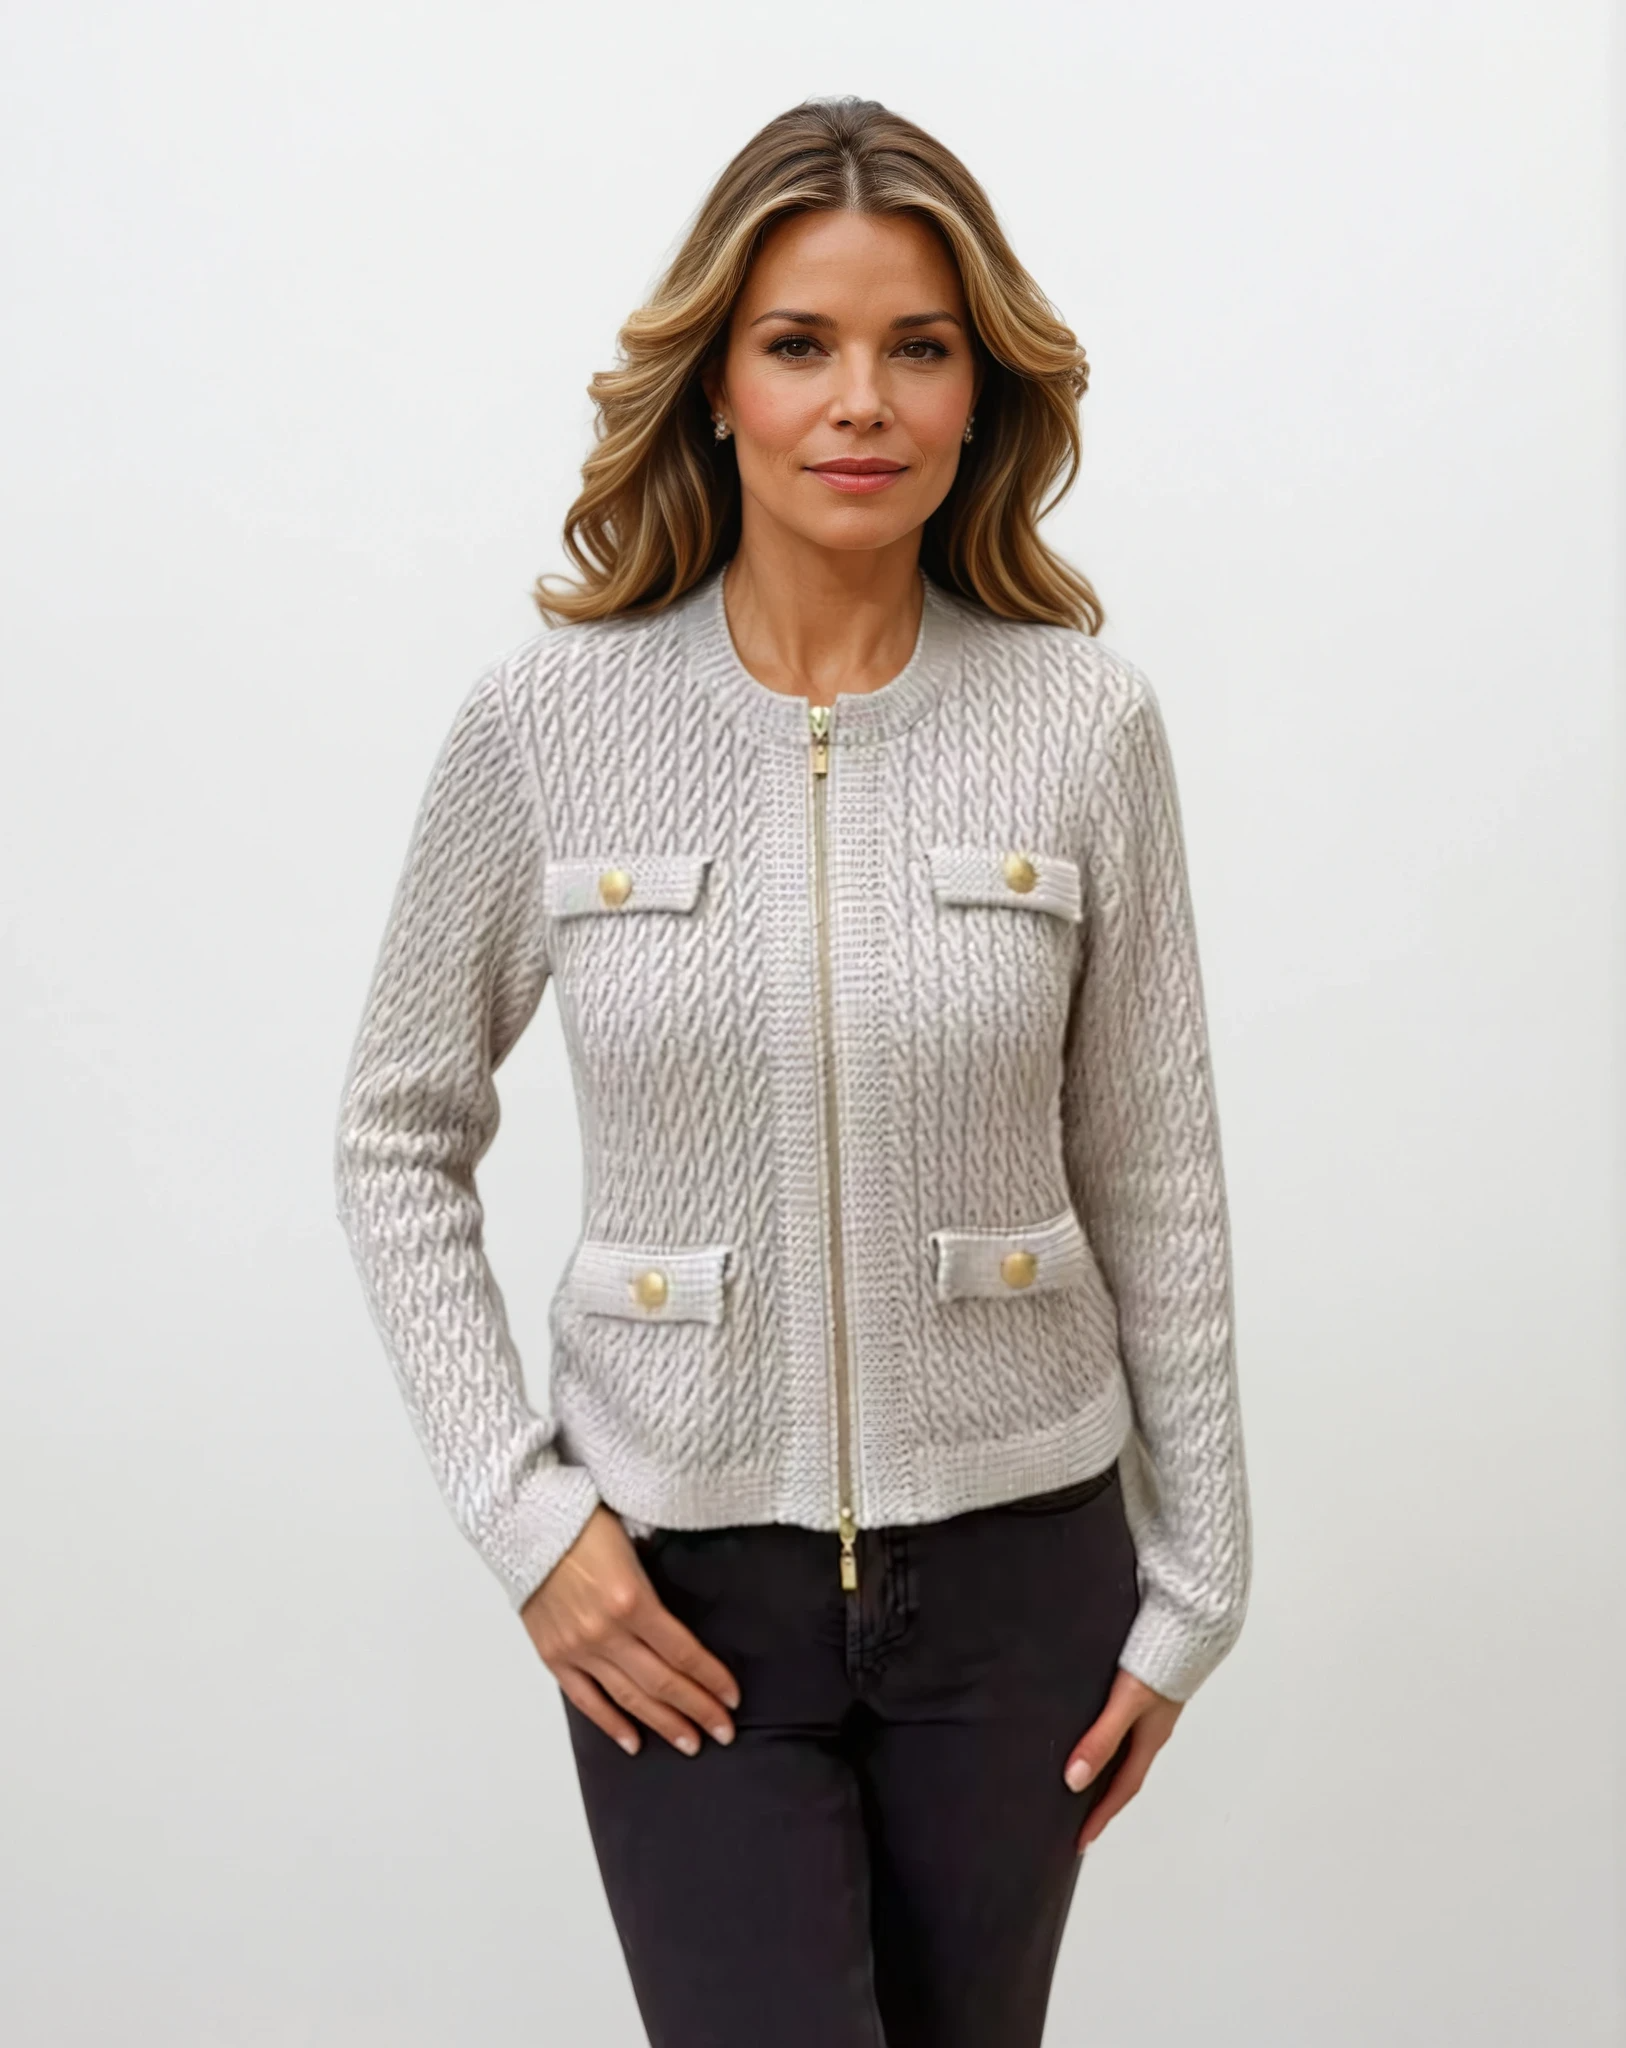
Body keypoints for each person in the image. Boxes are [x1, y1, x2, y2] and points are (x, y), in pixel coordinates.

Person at [334, 94, 1251, 2048]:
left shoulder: (1085, 724)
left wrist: (1199, 1587)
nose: (860, 401)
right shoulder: (547, 723)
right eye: (799, 343)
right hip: (680, 1603)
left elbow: (1155, 1173)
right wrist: (529, 1523)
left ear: (980, 393)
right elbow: (395, 1137)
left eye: (917, 347)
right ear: (718, 385)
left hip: (1022, 1585)